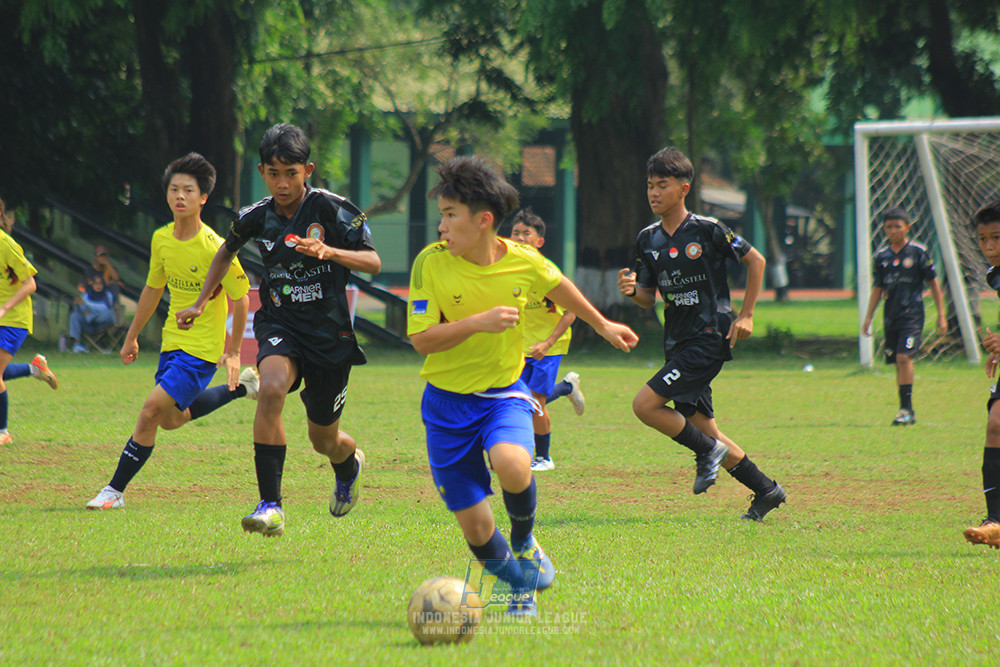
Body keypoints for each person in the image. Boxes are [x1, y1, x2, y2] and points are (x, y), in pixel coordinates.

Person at [408, 156, 638, 615]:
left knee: (513, 463)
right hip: (445, 405)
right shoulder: (430, 264)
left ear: (483, 220)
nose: (441, 226)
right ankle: (520, 585)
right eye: (441, 215)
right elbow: (421, 340)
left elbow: (559, 285)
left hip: (502, 394)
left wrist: (603, 324)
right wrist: (477, 322)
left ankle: (525, 539)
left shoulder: (523, 260)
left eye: (451, 215)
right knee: (476, 528)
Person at [176, 124, 381, 538]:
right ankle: (271, 505)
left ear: (308, 170)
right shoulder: (256, 216)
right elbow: (225, 251)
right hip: (280, 321)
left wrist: (330, 251)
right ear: (262, 172)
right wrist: (200, 300)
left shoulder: (332, 209)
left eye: (291, 173)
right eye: (273, 174)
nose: (282, 183)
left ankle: (348, 464)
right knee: (269, 389)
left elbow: (373, 262)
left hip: (329, 336)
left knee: (324, 440)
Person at [617, 147, 785, 522]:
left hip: (710, 336)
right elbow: (646, 298)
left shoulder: (708, 229)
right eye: (650, 185)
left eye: (662, 185)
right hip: (676, 341)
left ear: (684, 188)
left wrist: (747, 314)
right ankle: (766, 490)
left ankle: (706, 452)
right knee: (704, 429)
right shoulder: (647, 239)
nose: (654, 192)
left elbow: (755, 260)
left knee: (645, 405)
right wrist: (632, 291)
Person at [86, 153, 257, 510]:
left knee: (150, 411)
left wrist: (233, 351)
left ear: (203, 197)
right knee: (170, 420)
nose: (180, 196)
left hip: (202, 349)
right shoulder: (161, 239)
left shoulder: (215, 246)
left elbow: (241, 299)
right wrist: (132, 336)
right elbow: (153, 289)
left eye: (188, 190)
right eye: (174, 189)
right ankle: (243, 388)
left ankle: (114, 491)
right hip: (172, 341)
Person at [508, 209, 585, 472]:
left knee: (534, 402)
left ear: (539, 241)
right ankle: (566, 387)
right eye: (515, 233)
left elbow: (571, 312)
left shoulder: (547, 272)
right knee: (519, 397)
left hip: (549, 346)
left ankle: (543, 458)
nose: (519, 238)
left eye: (526, 233)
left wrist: (548, 343)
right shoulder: (508, 271)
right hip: (521, 345)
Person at [862, 207, 946, 426]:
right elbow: (878, 288)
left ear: (907, 227)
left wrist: (941, 315)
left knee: (903, 357)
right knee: (897, 362)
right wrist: (868, 317)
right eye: (888, 227)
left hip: (913, 315)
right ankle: (905, 409)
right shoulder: (882, 256)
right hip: (891, 316)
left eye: (897, 226)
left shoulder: (918, 252)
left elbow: (934, 284)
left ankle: (906, 409)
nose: (893, 231)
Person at [0, 197, 59, 446]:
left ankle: (2, 432)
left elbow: (30, 284)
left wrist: (5, 307)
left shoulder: (6, 245)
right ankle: (35, 369)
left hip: (13, 318)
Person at [963, 200, 1000, 548]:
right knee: (996, 424)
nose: (989, 246)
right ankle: (995, 521)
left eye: (997, 238)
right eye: (983, 239)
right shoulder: (995, 274)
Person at [68, 274, 117, 353]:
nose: (98, 286)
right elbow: (83, 310)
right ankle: (77, 345)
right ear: (92, 285)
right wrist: (79, 304)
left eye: (100, 284)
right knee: (75, 316)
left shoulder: (108, 295)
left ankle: (92, 317)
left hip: (101, 323)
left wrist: (87, 305)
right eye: (96, 284)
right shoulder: (87, 295)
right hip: (88, 324)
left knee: (108, 313)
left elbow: (104, 308)